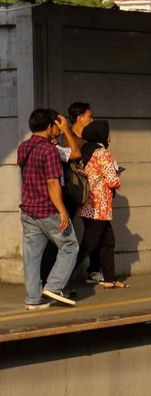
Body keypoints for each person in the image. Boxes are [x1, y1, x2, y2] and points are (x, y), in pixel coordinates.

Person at [18, 109, 80, 309]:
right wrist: (62, 210)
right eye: (54, 125)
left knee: (32, 256)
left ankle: (33, 299)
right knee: (70, 245)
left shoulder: (23, 147)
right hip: (47, 209)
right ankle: (54, 286)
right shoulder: (49, 150)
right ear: (48, 127)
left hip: (28, 209)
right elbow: (53, 183)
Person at [77, 121, 127, 288]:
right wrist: (117, 175)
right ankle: (56, 280)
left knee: (107, 242)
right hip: (99, 207)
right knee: (88, 245)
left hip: (88, 205)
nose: (110, 135)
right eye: (108, 132)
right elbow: (112, 181)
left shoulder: (86, 151)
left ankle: (109, 279)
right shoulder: (103, 153)